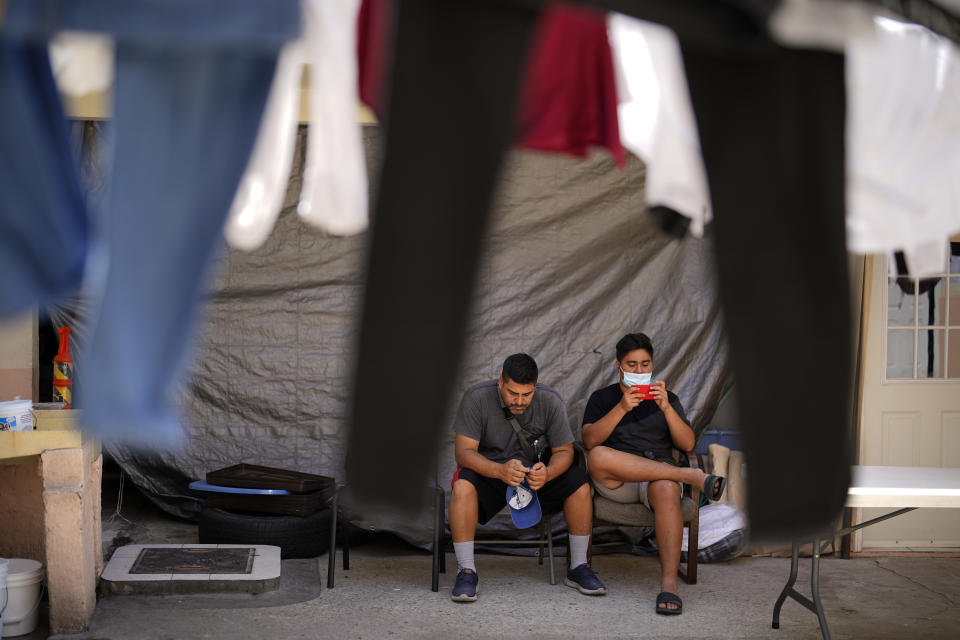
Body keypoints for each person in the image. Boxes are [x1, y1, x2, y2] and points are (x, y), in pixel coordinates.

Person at [581, 332, 725, 615]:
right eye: (631, 365)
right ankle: (689, 476)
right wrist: (622, 407)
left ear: (652, 365)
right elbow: (589, 441)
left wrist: (666, 408)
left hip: (656, 481)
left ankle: (669, 584)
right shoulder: (603, 398)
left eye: (645, 364)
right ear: (618, 366)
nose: (639, 371)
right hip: (618, 479)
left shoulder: (667, 398)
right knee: (598, 456)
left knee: (666, 487)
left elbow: (687, 444)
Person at [449, 353, 604, 602]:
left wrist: (549, 472)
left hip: (535, 477)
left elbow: (565, 451)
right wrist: (498, 470)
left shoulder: (550, 400)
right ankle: (466, 571)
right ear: (500, 382)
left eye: (526, 394)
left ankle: (578, 567)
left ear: (535, 387)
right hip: (492, 472)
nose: (520, 401)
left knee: (579, 483)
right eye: (513, 393)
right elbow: (463, 453)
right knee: (462, 484)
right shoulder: (477, 397)